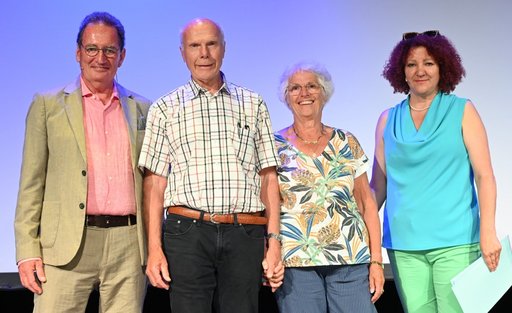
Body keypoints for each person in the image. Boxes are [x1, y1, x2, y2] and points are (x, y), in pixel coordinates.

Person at [139, 18, 284, 313]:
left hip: (244, 232)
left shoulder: (253, 103)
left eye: (211, 44)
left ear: (224, 48)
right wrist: (154, 249)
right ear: (183, 53)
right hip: (187, 233)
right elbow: (154, 184)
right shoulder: (165, 108)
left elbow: (268, 176)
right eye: (195, 45)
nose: (203, 53)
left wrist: (274, 242)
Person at [14, 12, 150, 312]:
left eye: (109, 50)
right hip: (65, 246)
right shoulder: (47, 105)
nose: (100, 57)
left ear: (122, 56)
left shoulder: (144, 109)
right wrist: (26, 251)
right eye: (92, 49)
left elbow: (152, 182)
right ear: (78, 53)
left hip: (128, 247)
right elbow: (30, 184)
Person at [370, 30, 502, 312]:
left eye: (428, 63)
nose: (420, 70)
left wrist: (488, 231)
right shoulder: (387, 119)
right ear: (401, 72)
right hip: (404, 245)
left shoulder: (463, 110)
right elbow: (377, 187)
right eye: (411, 64)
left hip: (455, 240)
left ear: (443, 67)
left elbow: (485, 176)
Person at [273, 62, 384, 313]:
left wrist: (376, 260)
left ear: (324, 93)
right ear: (286, 97)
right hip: (294, 262)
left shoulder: (346, 141)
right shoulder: (273, 145)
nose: (304, 94)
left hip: (349, 259)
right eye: (295, 88)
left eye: (311, 86)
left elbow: (367, 203)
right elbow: (266, 208)